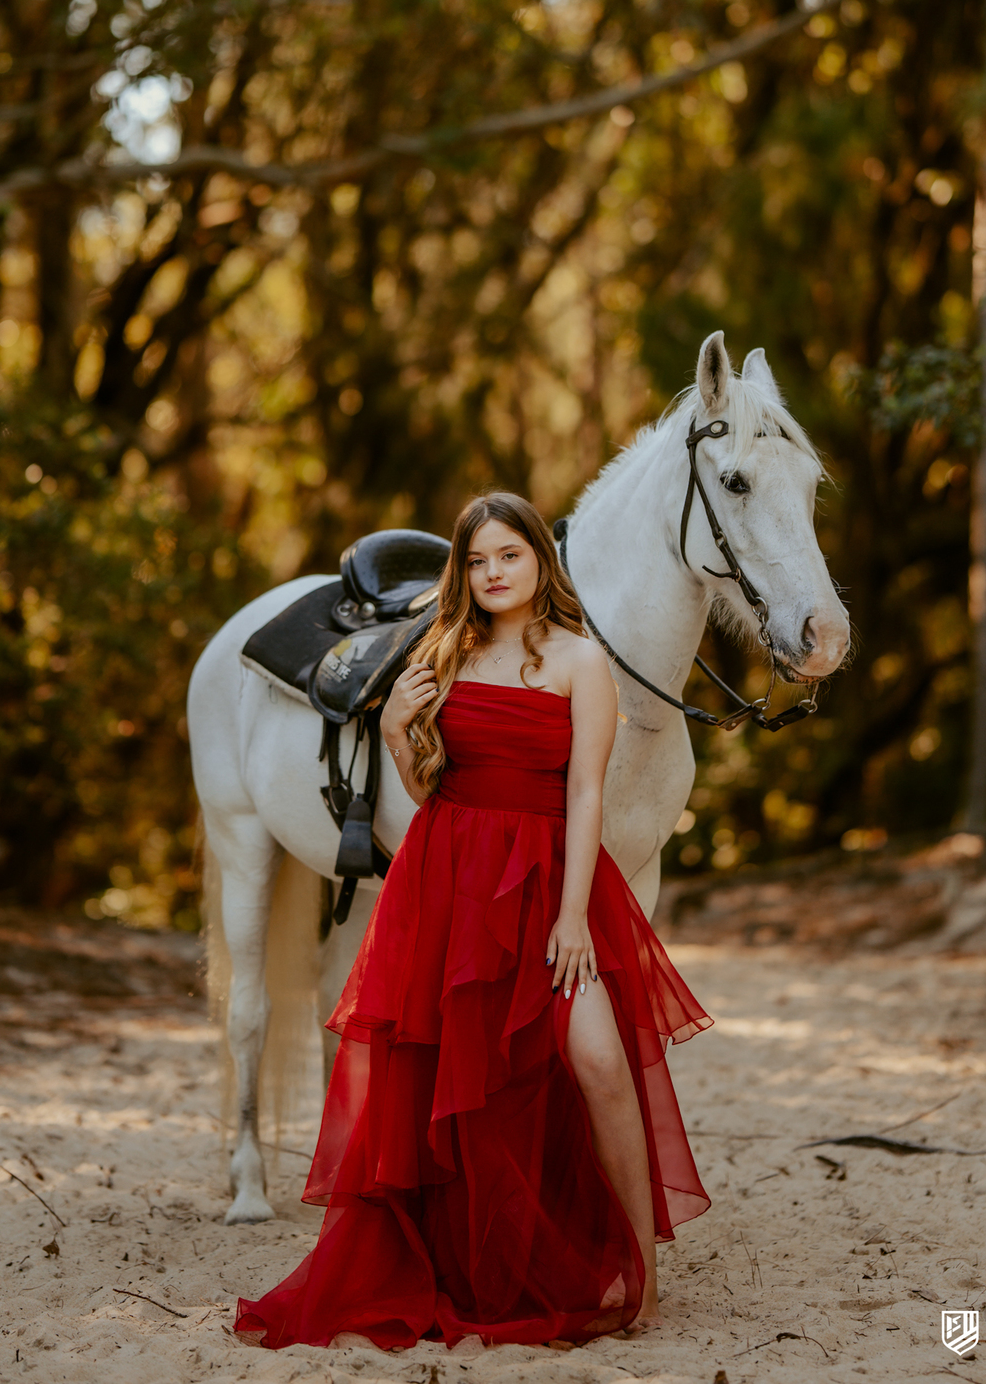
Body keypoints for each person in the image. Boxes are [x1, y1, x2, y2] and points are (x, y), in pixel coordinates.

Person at [235, 492, 711, 1350]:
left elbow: (586, 793)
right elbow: (431, 790)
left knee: (600, 1062)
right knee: (460, 1077)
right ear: (462, 570)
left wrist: (573, 918)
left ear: (538, 562)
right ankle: (476, 1258)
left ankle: (641, 1274)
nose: (494, 573)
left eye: (509, 556)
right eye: (478, 560)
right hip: (452, 879)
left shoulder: (581, 660)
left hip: (552, 884)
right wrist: (396, 728)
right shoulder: (444, 654)